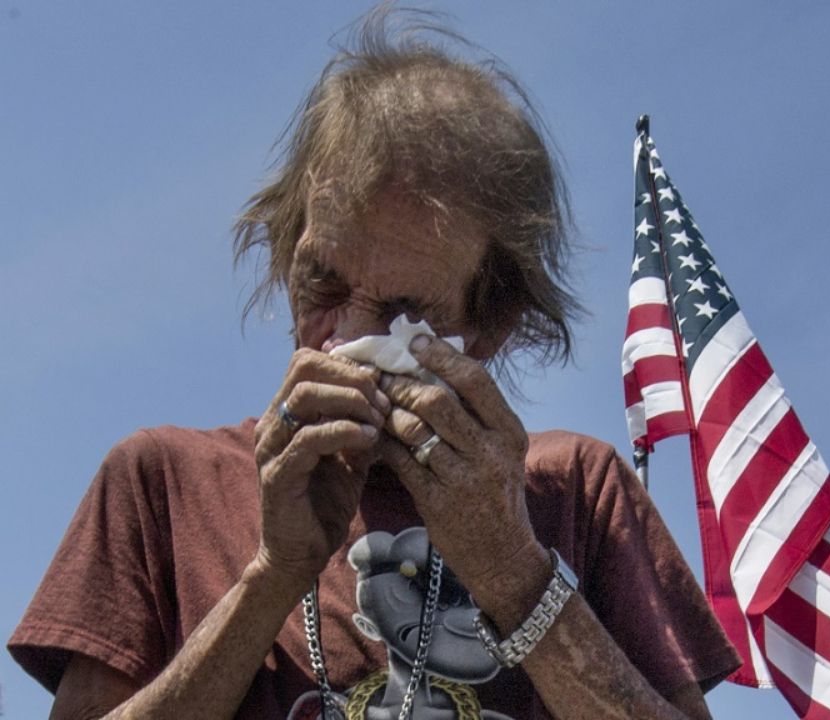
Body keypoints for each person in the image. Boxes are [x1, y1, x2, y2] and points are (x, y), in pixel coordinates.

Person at [8, 8, 740, 719]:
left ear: (488, 327)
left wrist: (514, 572)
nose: (344, 343)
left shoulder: (577, 491)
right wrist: (270, 576)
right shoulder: (164, 484)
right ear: (284, 250)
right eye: (322, 286)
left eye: (403, 314)